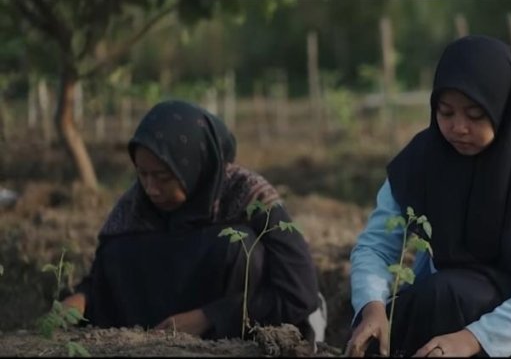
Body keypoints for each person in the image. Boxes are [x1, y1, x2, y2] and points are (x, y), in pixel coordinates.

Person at [347, 35, 511, 357]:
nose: (458, 127)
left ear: (503, 108)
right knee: (392, 324)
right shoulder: (423, 159)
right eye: (446, 112)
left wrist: (471, 339)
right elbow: (376, 246)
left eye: (475, 115)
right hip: (455, 295)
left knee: (448, 297)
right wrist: (371, 307)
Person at [60, 100, 325, 344]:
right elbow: (104, 281)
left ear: (193, 167)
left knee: (240, 246)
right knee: (119, 251)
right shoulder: (133, 207)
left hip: (231, 335)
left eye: (163, 177)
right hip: (151, 335)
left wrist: (209, 317)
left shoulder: (249, 195)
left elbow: (299, 293)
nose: (151, 188)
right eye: (142, 174)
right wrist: (82, 300)